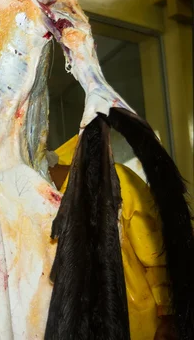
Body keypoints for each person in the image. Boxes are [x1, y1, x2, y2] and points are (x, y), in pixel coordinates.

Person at [48, 135, 177, 340]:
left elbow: (159, 256)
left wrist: (169, 316)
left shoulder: (116, 181)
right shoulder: (20, 207)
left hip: (140, 327)